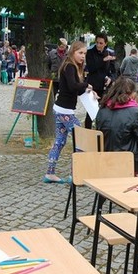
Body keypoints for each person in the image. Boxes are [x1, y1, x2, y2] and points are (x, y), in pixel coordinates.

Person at [44, 41, 95, 184]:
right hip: (64, 111)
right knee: (80, 141)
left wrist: (89, 91)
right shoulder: (70, 66)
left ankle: (50, 173)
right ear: (73, 52)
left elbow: (76, 90)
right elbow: (73, 86)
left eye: (85, 53)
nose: (83, 56)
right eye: (80, 53)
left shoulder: (72, 66)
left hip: (61, 109)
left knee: (60, 142)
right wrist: (86, 85)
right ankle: (75, 175)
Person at [96, 77, 138, 174]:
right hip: (127, 161)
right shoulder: (134, 112)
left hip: (105, 158)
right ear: (131, 94)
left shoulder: (103, 108)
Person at [85, 32, 116, 128]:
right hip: (93, 85)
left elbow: (114, 71)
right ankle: (88, 131)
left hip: (105, 86)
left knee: (104, 111)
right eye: (97, 42)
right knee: (90, 112)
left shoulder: (110, 53)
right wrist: (103, 60)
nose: (98, 45)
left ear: (105, 43)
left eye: (101, 43)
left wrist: (111, 78)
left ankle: (102, 131)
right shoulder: (90, 52)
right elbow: (91, 68)